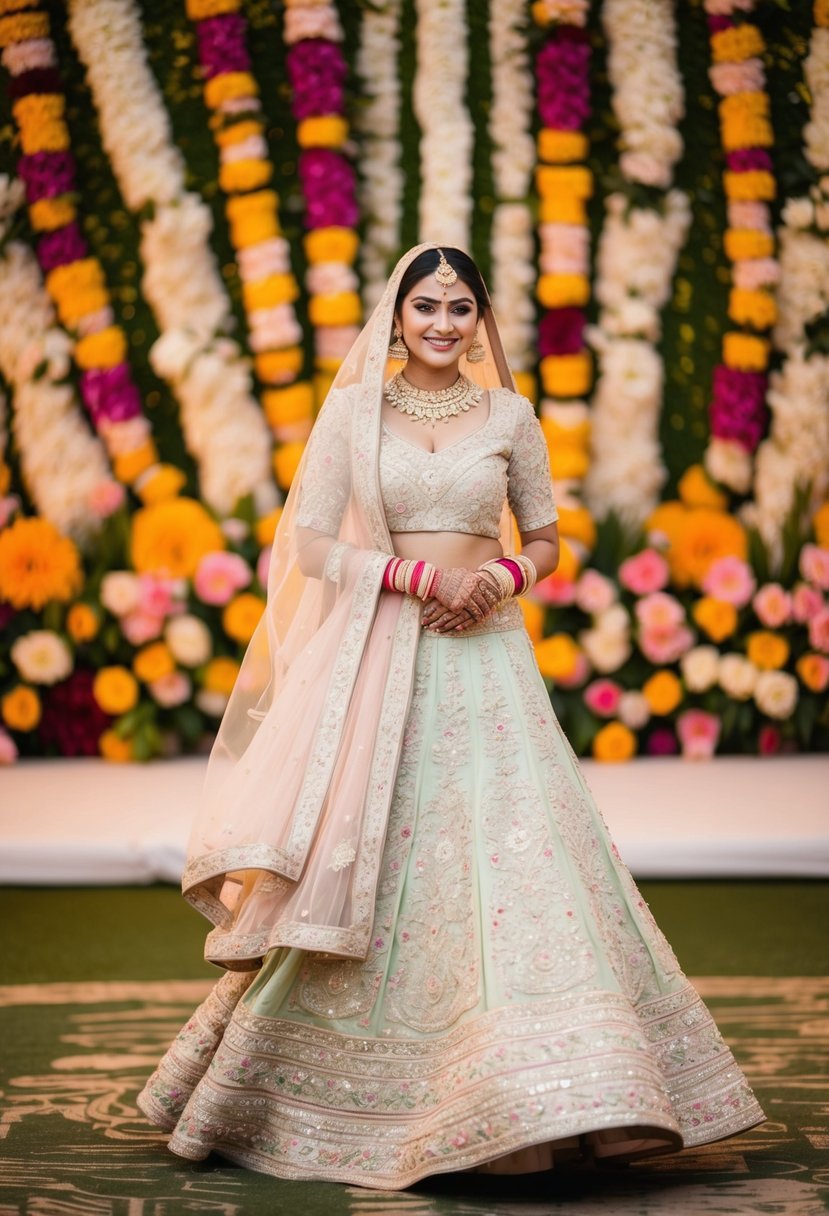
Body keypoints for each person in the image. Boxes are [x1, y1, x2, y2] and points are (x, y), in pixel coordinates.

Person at [137, 244, 764, 1188]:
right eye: (424, 305)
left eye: (459, 308)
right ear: (395, 316)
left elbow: (546, 539)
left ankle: (555, 1099)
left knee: (518, 851)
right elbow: (309, 545)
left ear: (480, 321)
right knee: (375, 852)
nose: (441, 322)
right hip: (385, 654)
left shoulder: (512, 416)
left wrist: (499, 578)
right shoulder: (352, 414)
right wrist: (415, 575)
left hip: (487, 658)